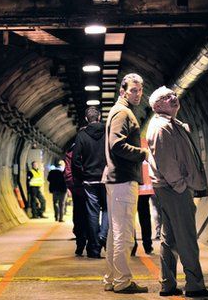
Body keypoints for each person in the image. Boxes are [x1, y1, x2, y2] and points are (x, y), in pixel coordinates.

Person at [146, 86, 208, 298]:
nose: (173, 98)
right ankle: (194, 285)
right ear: (157, 106)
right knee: (186, 238)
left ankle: (167, 284)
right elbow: (166, 161)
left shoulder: (171, 125)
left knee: (171, 238)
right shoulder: (161, 128)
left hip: (170, 188)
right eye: (167, 98)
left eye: (173, 95)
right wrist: (180, 185)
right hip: (173, 189)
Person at [102, 73, 149, 294]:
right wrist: (143, 153)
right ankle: (123, 281)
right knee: (124, 233)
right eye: (133, 90)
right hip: (122, 179)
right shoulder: (123, 112)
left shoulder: (119, 110)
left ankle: (111, 279)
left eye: (140, 90)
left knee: (115, 232)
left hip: (115, 179)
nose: (138, 94)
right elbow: (116, 145)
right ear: (123, 91)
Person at [72, 106, 108, 259]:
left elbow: (75, 160)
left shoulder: (81, 135)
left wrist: (82, 174)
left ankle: (94, 249)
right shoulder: (108, 133)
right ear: (99, 117)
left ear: (87, 119)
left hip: (89, 180)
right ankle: (103, 236)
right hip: (107, 179)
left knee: (92, 214)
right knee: (107, 209)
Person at [64, 143, 88, 255]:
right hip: (92, 187)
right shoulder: (97, 146)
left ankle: (81, 242)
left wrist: (72, 186)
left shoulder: (71, 152)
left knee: (78, 215)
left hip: (78, 189)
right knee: (92, 214)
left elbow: (68, 173)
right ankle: (93, 243)